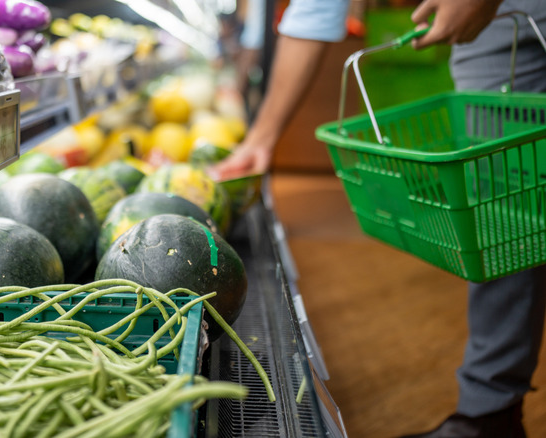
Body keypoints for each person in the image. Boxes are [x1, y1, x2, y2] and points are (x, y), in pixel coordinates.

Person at [208, 0, 546, 437]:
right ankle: (490, 412)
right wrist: (262, 138)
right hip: (503, 25)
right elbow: (315, 11)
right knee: (498, 200)